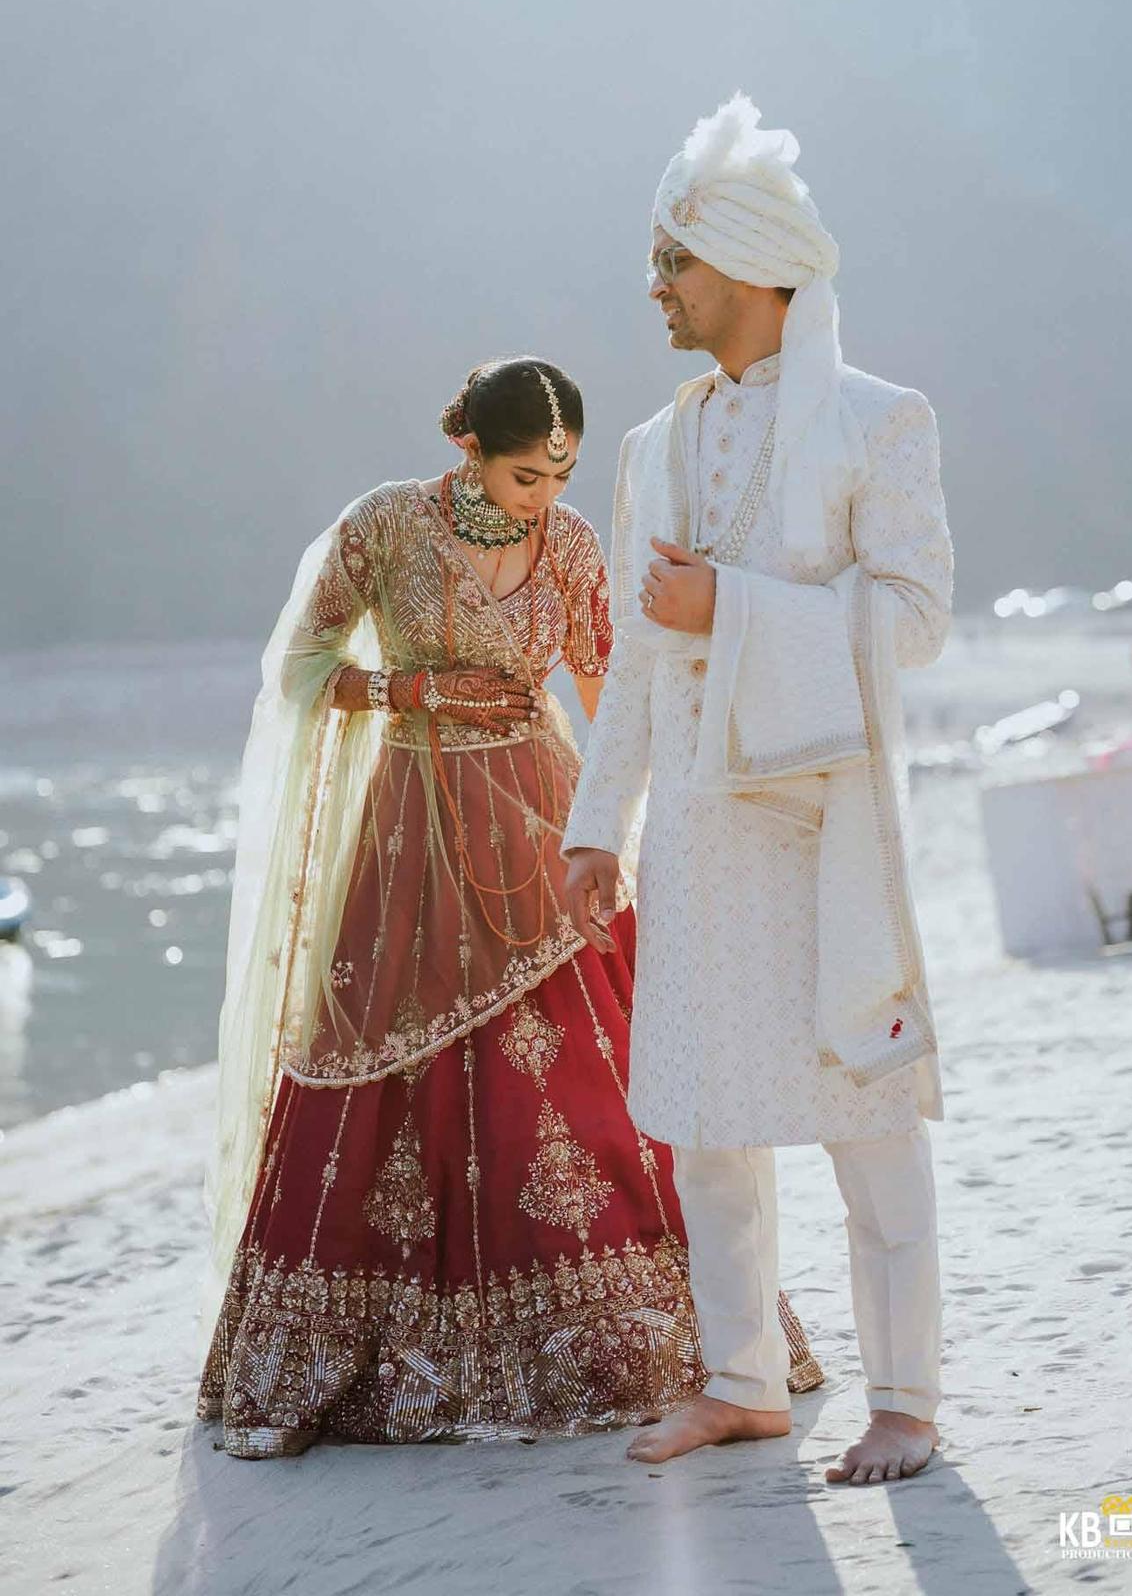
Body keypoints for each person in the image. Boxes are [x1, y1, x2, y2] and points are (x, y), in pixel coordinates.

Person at [198, 355, 821, 1455]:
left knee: (588, 1072)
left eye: (562, 472)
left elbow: (610, 679)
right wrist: (408, 689)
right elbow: (299, 668)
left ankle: (661, 1334)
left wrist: (659, 803)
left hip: (540, 812)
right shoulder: (386, 527)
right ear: (467, 451)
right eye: (527, 475)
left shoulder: (577, 545)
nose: (546, 495)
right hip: (414, 826)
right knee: (396, 1071)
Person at [562, 95, 954, 1483]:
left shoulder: (875, 420)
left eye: (672, 260)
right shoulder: (650, 447)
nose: (655, 287)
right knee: (709, 1123)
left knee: (866, 1115)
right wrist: (596, 825)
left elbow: (912, 620)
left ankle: (904, 1398)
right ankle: (742, 1382)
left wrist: (731, 603)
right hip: (700, 839)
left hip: (828, 824)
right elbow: (630, 655)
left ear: (744, 264)